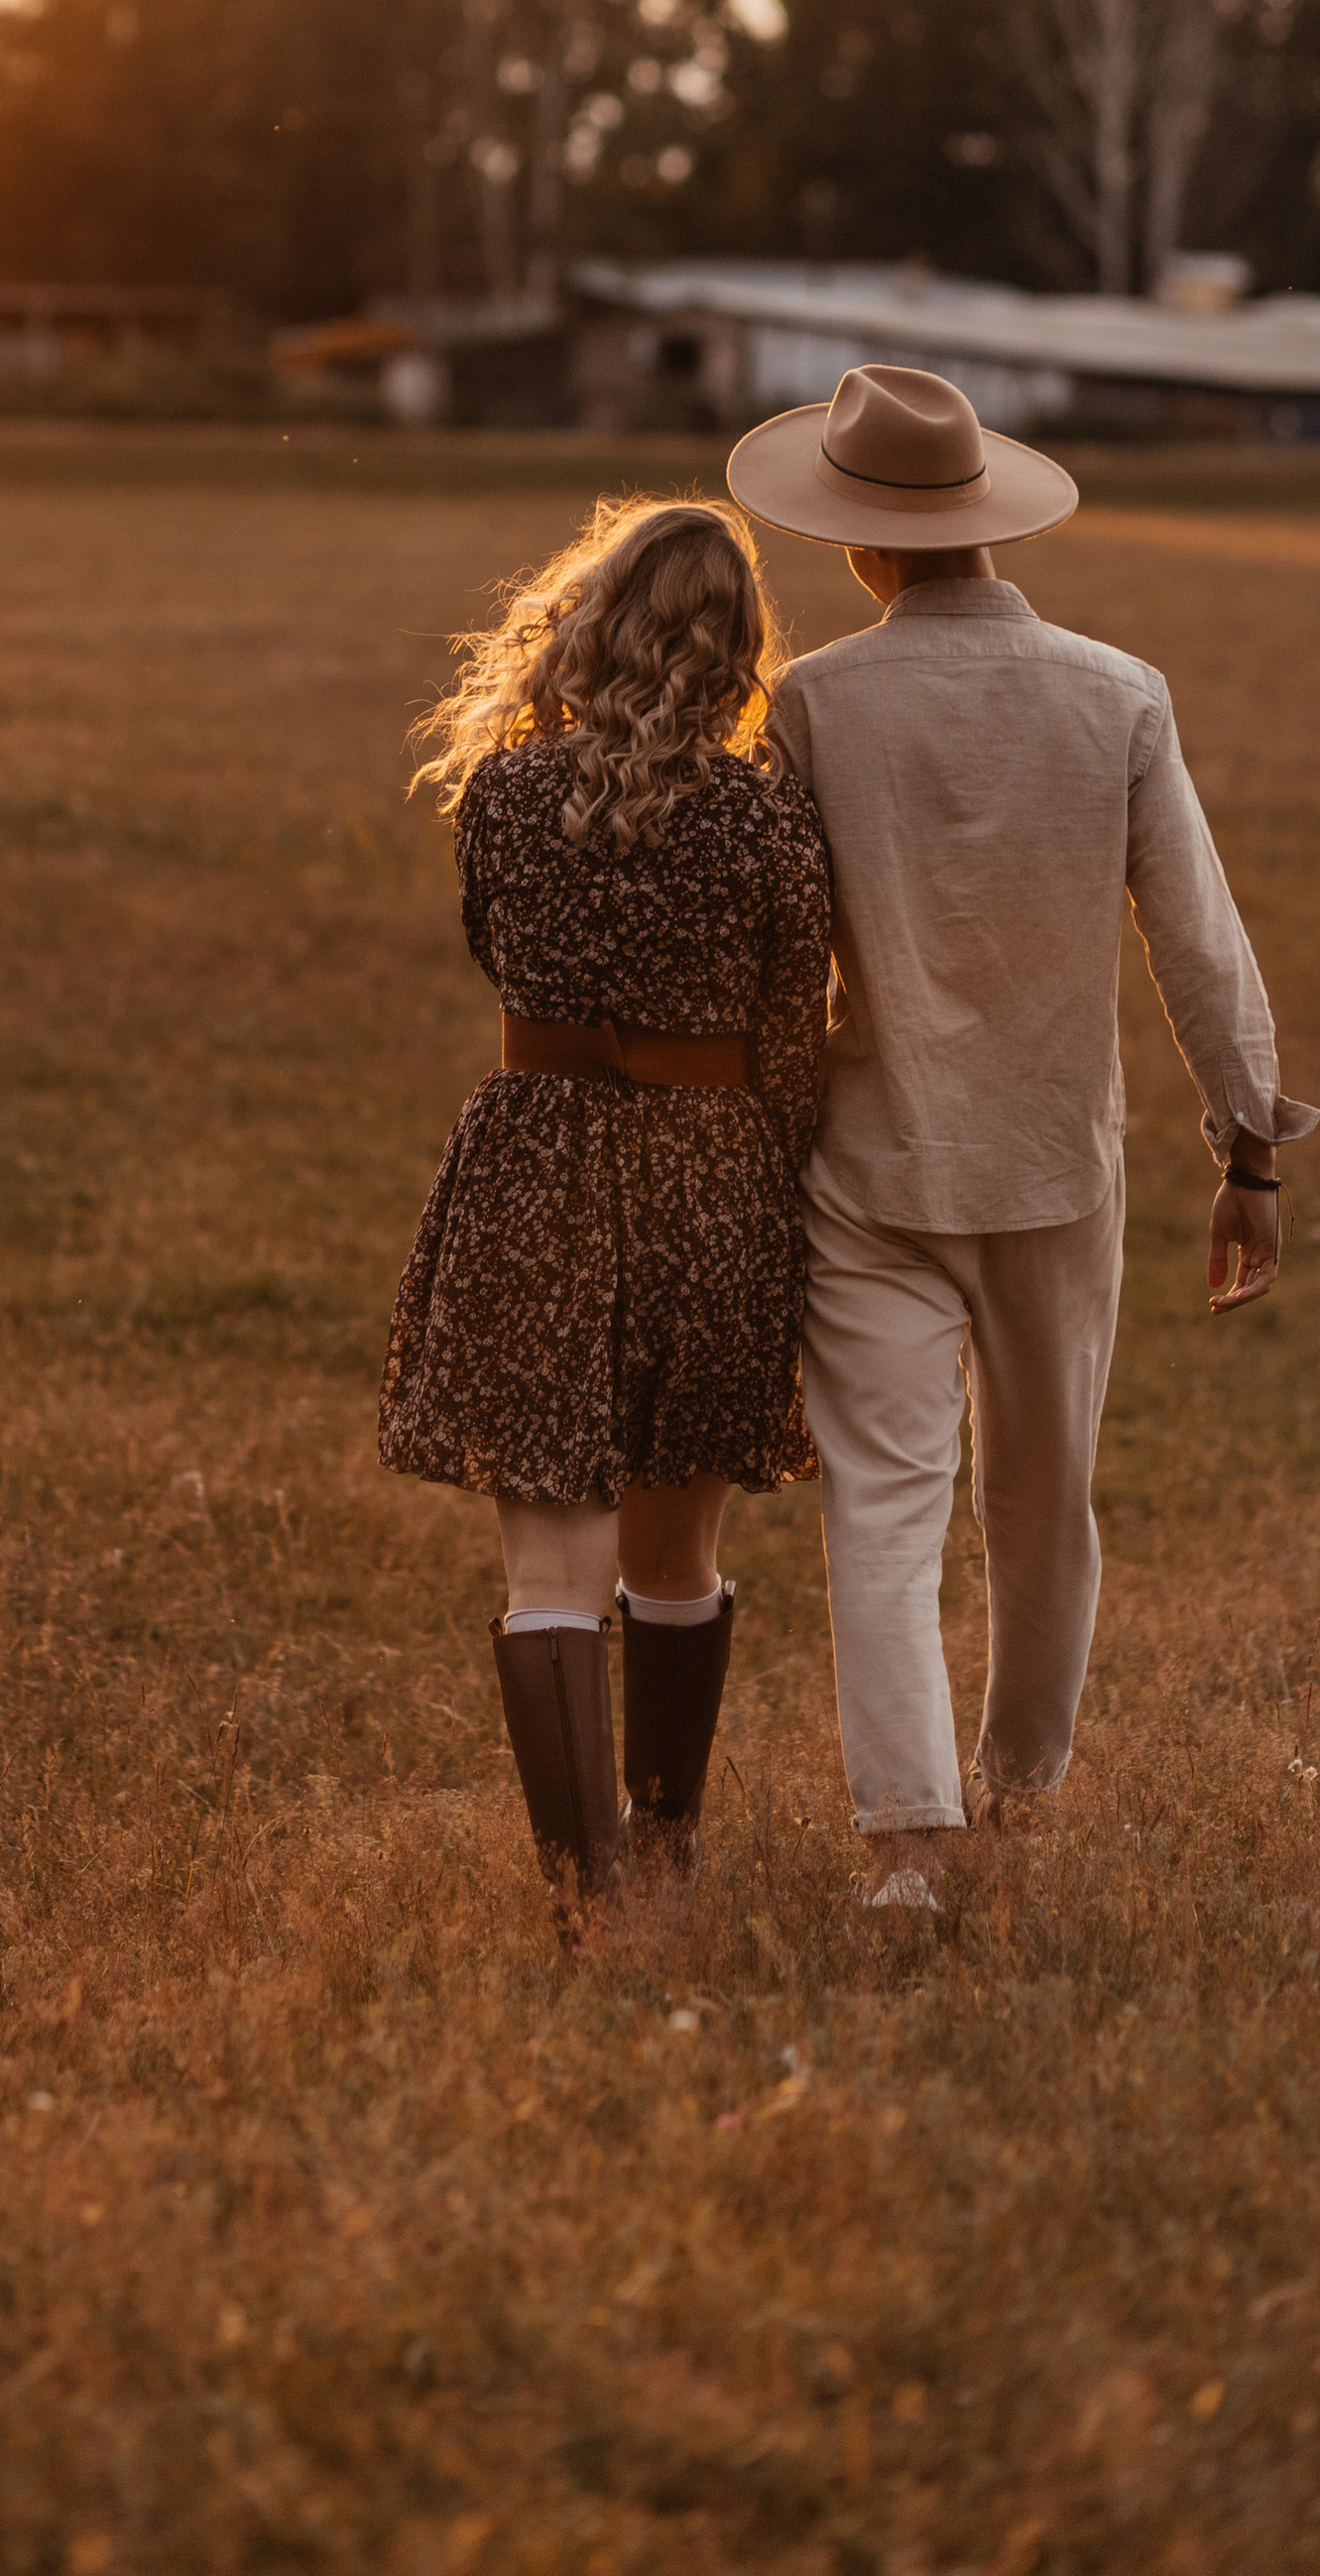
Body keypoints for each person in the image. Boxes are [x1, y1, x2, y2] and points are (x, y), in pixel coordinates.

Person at [725, 364, 1317, 1910]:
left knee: (887, 1501)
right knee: (1043, 1497)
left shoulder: (815, 704)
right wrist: (1250, 1150)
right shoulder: (1118, 691)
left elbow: (782, 955)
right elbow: (1198, 936)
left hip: (870, 1168)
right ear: (995, 526)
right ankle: (1024, 1789)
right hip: (1059, 1163)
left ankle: (908, 1849)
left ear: (857, 546)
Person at [378, 497, 833, 1938]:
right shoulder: (767, 817)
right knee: (674, 1555)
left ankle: (586, 1897)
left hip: (537, 1173)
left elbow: (489, 954)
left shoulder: (506, 798)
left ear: (589, 620)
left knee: (550, 1567)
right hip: (711, 1183)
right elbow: (795, 1048)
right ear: (740, 648)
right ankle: (669, 1846)